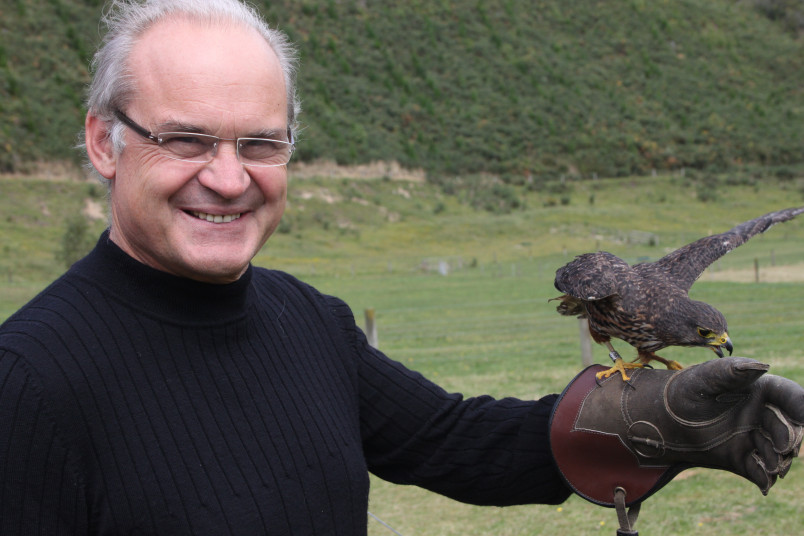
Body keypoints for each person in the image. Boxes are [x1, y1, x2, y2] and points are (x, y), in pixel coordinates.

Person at [0, 1, 801, 534]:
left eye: (260, 143)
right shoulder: (28, 380)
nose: (228, 175)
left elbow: (453, 440)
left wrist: (647, 426)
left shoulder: (309, 322)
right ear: (105, 142)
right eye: (186, 139)